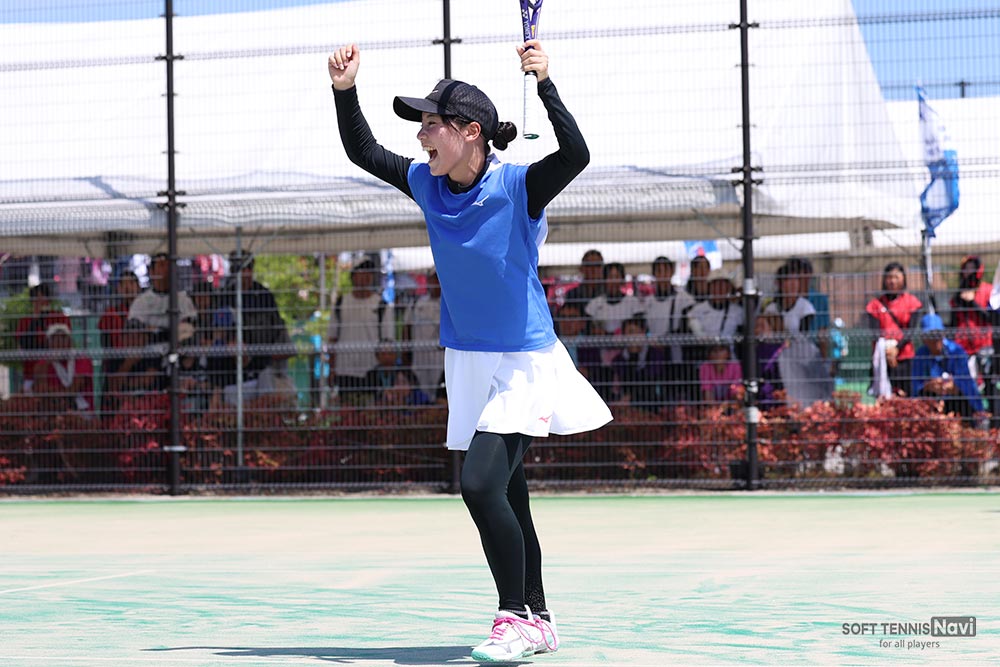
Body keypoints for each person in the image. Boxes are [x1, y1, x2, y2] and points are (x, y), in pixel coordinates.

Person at [329, 38, 612, 661]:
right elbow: (363, 150)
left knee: (480, 486)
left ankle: (515, 617)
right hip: (468, 359)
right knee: (511, 497)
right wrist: (344, 90)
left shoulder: (518, 186)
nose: (421, 134)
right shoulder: (426, 183)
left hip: (523, 360)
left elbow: (578, 155)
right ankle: (539, 617)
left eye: (432, 123)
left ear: (470, 132)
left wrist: (546, 83)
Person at [220, 252, 295, 406]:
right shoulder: (226, 296)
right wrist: (231, 343)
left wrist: (268, 354)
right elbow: (219, 329)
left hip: (264, 365)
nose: (246, 273)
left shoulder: (263, 295)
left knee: (265, 407)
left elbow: (277, 329)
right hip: (234, 369)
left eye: (249, 268)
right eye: (241, 269)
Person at [327, 258, 395, 406]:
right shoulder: (340, 303)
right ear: (353, 276)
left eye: (369, 273)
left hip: (371, 370)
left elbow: (388, 342)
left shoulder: (382, 305)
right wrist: (331, 369)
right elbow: (332, 338)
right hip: (345, 370)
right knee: (347, 412)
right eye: (361, 272)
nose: (365, 276)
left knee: (371, 412)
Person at [641, 256, 696, 403]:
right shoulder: (648, 302)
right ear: (654, 274)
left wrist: (667, 339)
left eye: (666, 270)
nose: (663, 274)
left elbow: (689, 326)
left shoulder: (684, 298)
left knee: (676, 394)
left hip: (677, 356)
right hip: (654, 355)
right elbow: (644, 328)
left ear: (672, 272)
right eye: (659, 271)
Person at [948, 255, 996, 419]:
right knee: (966, 385)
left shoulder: (988, 291)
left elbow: (991, 318)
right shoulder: (957, 296)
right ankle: (970, 417)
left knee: (989, 383)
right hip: (963, 348)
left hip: (985, 344)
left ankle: (993, 418)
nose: (968, 272)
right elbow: (953, 323)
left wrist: (972, 302)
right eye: (966, 268)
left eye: (971, 268)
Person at [864, 262, 922, 398]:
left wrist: (897, 348)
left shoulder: (911, 302)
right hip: (882, 357)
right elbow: (875, 333)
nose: (892, 281)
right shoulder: (875, 305)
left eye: (896, 277)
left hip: (905, 357)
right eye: (889, 277)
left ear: (903, 279)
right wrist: (888, 351)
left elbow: (911, 330)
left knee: (906, 397)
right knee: (884, 398)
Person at [912, 313, 985, 421]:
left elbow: (965, 381)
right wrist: (929, 385)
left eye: (938, 335)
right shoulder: (920, 355)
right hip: (932, 402)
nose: (935, 340)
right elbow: (916, 385)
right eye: (930, 336)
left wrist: (952, 385)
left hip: (958, 401)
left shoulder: (956, 351)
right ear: (923, 339)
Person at [128, 253, 198, 345]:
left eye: (168, 266)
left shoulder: (183, 299)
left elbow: (189, 323)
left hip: (178, 346)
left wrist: (157, 330)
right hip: (149, 347)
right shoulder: (142, 300)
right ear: (152, 272)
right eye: (161, 265)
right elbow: (134, 324)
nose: (166, 269)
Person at [15, 283, 71, 393]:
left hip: (58, 375)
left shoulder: (59, 318)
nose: (40, 301)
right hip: (31, 374)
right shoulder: (25, 321)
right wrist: (36, 318)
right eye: (36, 298)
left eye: (43, 296)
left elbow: (64, 344)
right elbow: (24, 345)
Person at [32, 323, 94, 416]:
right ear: (49, 343)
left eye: (63, 338)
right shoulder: (44, 363)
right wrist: (48, 363)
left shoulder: (82, 359)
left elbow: (75, 388)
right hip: (53, 411)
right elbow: (40, 391)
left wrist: (53, 392)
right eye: (55, 339)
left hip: (82, 411)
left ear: (70, 341)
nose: (59, 343)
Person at [404, 269, 445, 396]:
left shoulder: (448, 304)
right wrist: (406, 354)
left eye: (438, 279)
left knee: (439, 392)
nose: (436, 282)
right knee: (421, 393)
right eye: (433, 279)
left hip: (439, 359)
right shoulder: (416, 303)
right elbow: (407, 327)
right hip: (419, 357)